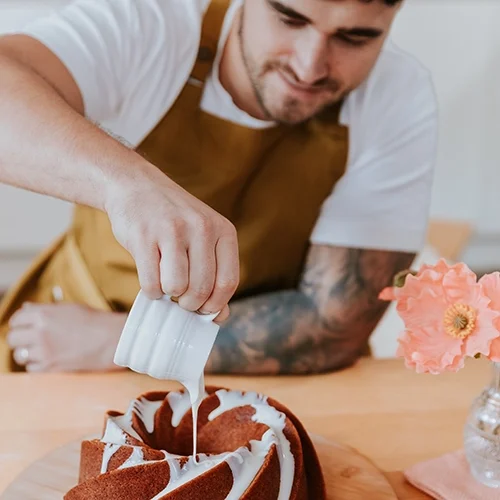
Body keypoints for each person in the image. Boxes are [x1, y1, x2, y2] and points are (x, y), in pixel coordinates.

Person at [0, 0, 437, 375]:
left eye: (354, 38)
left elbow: (335, 323)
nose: (309, 66)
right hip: (67, 336)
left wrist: (126, 343)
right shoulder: (148, 24)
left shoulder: (397, 96)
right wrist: (128, 186)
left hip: (227, 367)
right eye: (290, 18)